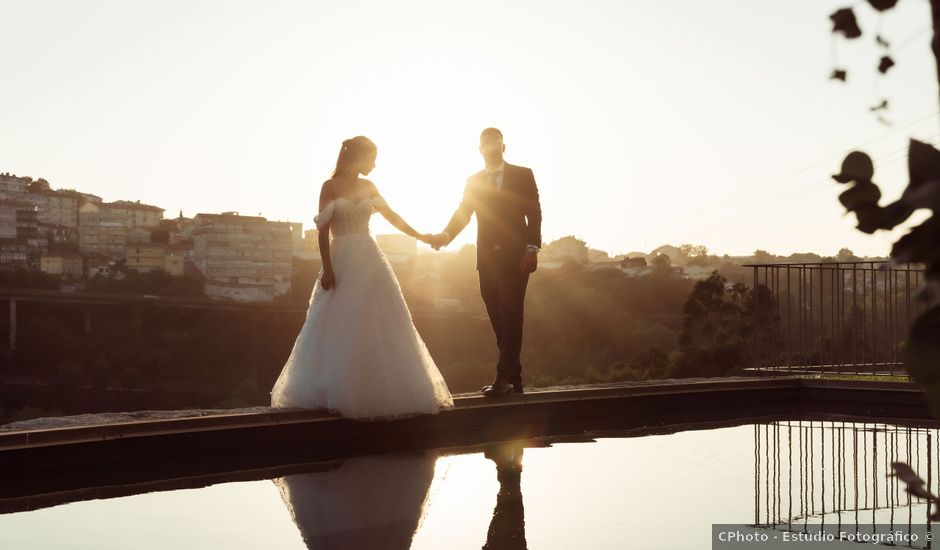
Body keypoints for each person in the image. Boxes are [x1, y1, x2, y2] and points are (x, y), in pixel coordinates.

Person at [270, 136, 454, 419]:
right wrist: (328, 268)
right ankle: (338, 392)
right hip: (342, 258)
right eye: (372, 158)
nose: (375, 165)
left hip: (369, 259)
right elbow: (322, 230)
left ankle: (379, 392)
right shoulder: (329, 187)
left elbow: (393, 217)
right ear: (359, 157)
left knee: (377, 321)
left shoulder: (369, 187)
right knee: (341, 321)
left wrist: (422, 236)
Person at [429, 128, 542, 397]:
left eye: (495, 144)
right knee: (497, 317)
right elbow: (464, 212)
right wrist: (446, 235)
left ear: (504, 147)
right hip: (486, 260)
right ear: (479, 149)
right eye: (485, 145)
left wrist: (531, 248)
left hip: (516, 258)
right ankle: (514, 378)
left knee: (511, 315)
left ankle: (504, 378)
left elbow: (534, 213)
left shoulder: (522, 174)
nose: (490, 148)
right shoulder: (474, 181)